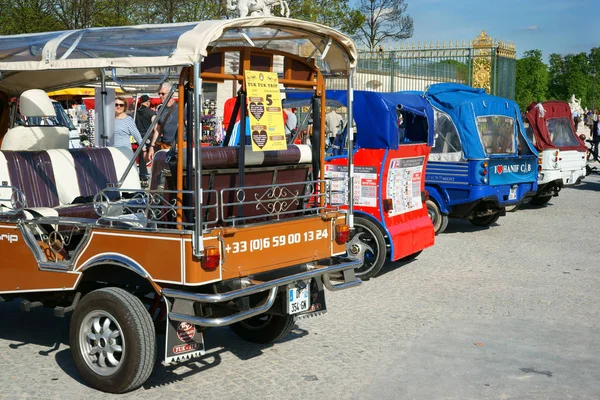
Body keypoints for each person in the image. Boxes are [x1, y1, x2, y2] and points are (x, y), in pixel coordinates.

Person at [148, 82, 179, 161]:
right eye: (159, 94)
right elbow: (158, 128)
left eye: (163, 94)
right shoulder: (160, 109)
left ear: (171, 94)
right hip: (164, 146)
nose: (160, 96)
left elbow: (189, 127)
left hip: (178, 146)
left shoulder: (180, 108)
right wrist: (152, 146)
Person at [134, 94, 155, 179]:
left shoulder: (136, 112)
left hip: (139, 135)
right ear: (147, 102)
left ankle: (143, 174)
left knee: (142, 157)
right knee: (152, 154)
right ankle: (154, 175)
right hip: (149, 136)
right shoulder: (151, 112)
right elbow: (155, 125)